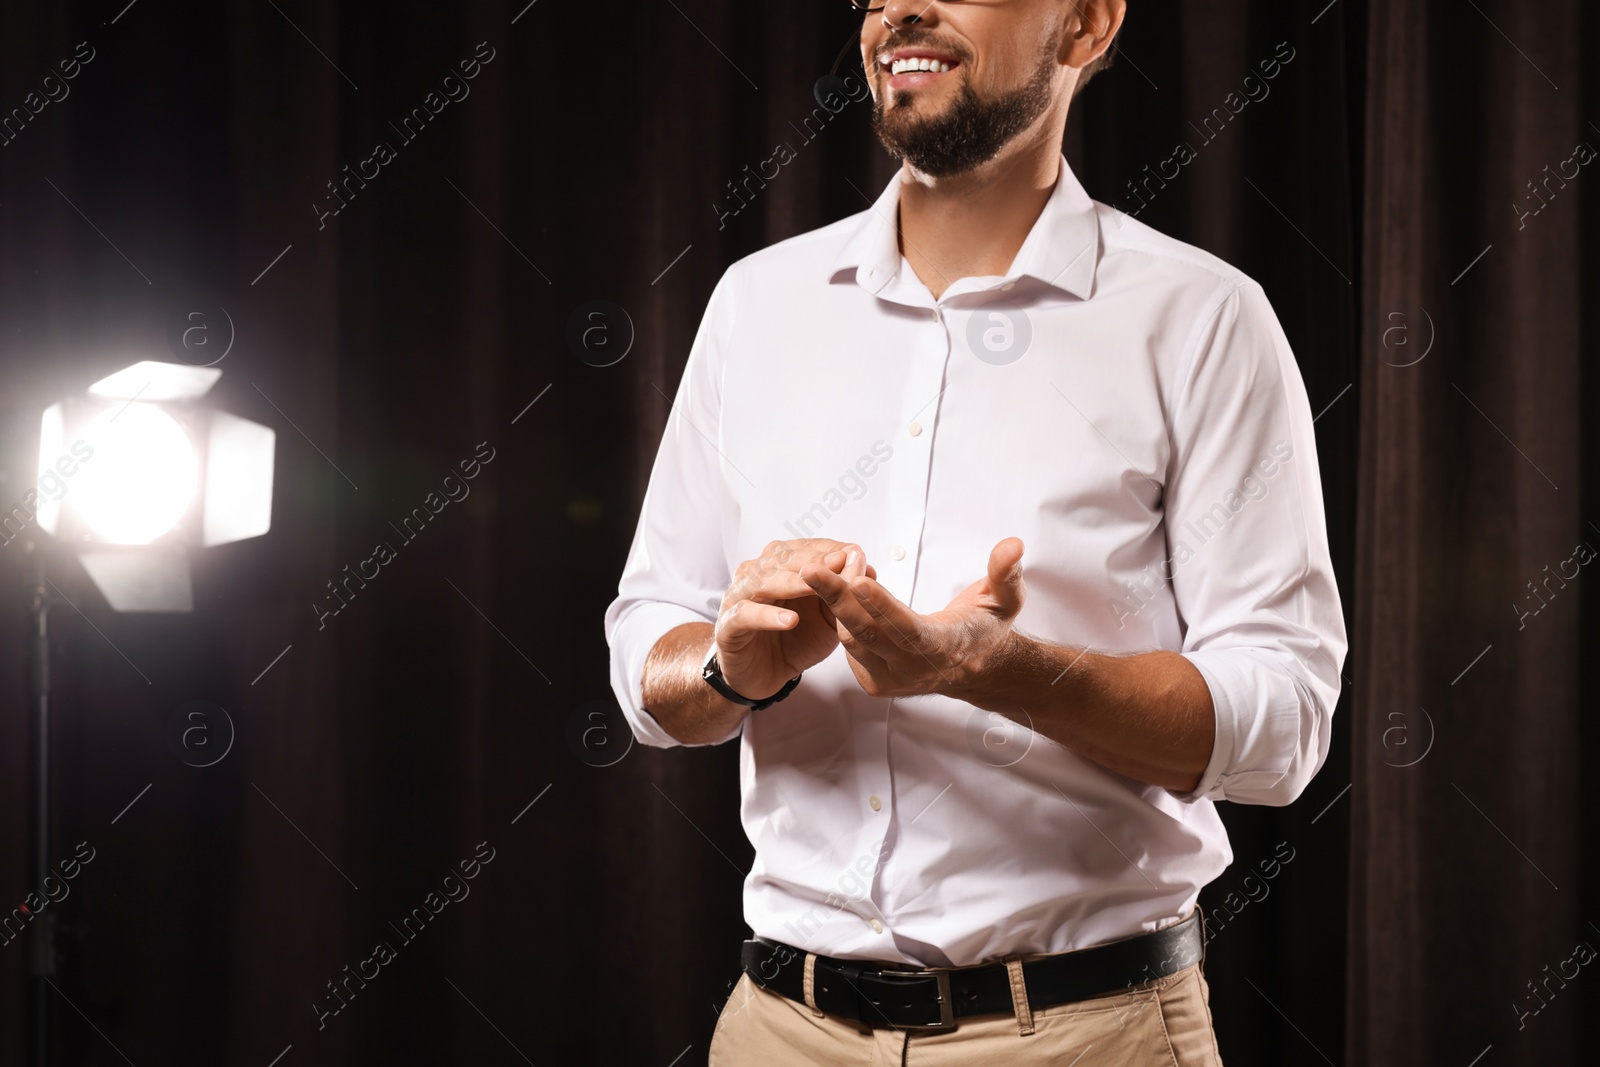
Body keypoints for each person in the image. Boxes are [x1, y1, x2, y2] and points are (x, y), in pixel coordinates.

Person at [603, 0, 1346, 1062]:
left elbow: (1283, 726)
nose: (899, 7)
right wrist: (731, 667)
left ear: (1085, 26)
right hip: (778, 1028)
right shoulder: (754, 306)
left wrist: (994, 670)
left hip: (1086, 1034)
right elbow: (648, 647)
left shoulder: (1203, 320)